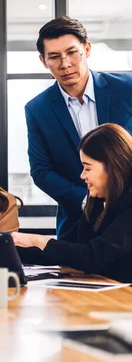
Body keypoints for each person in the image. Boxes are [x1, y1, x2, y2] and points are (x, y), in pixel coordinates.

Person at [25, 16, 132, 239]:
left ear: (87, 49)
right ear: (44, 61)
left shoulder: (126, 89)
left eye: (72, 52)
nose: (65, 64)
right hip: (77, 223)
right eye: (54, 57)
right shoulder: (37, 109)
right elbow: (41, 171)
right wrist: (87, 201)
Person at [14, 124, 132, 283]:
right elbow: (66, 249)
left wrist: (37, 240)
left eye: (87, 168)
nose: (82, 175)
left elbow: (92, 258)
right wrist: (7, 247)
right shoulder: (97, 203)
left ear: (112, 166)